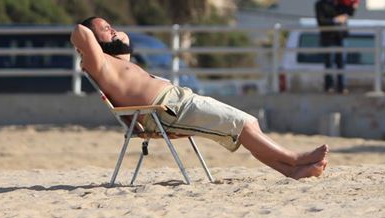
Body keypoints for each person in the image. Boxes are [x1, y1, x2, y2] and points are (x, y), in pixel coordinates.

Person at [71, 17, 328, 180]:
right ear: (93, 40)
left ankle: (291, 171)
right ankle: (295, 159)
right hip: (163, 110)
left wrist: (113, 36)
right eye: (106, 28)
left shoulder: (115, 61)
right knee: (244, 124)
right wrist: (94, 36)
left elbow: (124, 42)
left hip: (175, 102)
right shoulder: (98, 63)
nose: (114, 30)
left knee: (247, 124)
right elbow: (79, 31)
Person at [314, 0, 348, 93]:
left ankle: (342, 87)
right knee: (329, 62)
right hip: (328, 37)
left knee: (341, 62)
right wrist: (335, 20)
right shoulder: (320, 4)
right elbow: (321, 21)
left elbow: (347, 12)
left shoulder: (339, 2)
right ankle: (329, 87)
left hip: (339, 36)